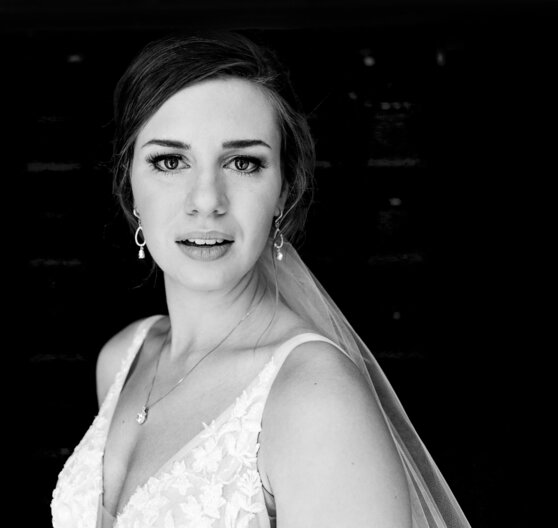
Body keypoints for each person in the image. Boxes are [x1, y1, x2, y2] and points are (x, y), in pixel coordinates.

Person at [51, 30, 470, 528]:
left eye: (243, 162)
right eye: (170, 161)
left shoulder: (316, 397)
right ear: (129, 185)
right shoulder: (123, 357)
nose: (207, 200)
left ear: (284, 192)